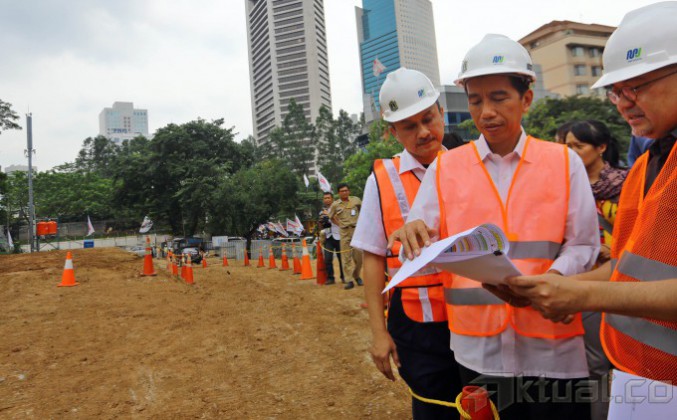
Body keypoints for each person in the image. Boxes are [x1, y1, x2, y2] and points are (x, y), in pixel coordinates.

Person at [388, 34, 599, 419]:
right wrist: (411, 236)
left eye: (499, 98)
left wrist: (553, 279)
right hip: (477, 351)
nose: (486, 112)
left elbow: (584, 245)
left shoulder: (562, 162)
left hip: (552, 346)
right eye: (475, 100)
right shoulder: (445, 168)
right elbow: (417, 245)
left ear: (526, 98)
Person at [505, 4, 677, 401]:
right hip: (641, 378)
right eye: (616, 91)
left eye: (637, 86)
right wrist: (557, 286)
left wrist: (583, 296)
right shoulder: (646, 166)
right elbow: (626, 268)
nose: (623, 103)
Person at [351, 68, 463, 418]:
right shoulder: (382, 179)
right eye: (409, 126)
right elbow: (373, 258)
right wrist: (378, 333)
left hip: (476, 317)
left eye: (428, 119)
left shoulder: (470, 167)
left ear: (441, 112)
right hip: (418, 327)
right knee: (435, 410)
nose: (424, 132)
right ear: (392, 132)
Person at [564, 119, 628, 420]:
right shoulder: (565, 185)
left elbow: (643, 231)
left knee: (630, 358)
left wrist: (615, 252)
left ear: (601, 147)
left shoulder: (627, 183)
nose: (572, 152)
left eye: (579, 146)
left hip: (627, 279)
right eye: (567, 146)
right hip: (587, 280)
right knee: (595, 362)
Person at [328, 183, 363, 290]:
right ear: (338, 193)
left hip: (356, 231)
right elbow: (331, 217)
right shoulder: (335, 205)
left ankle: (356, 275)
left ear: (349, 191)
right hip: (344, 232)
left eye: (346, 190)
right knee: (346, 257)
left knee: (359, 257)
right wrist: (339, 224)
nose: (344, 192)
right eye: (342, 191)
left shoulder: (356, 200)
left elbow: (363, 212)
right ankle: (349, 280)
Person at [318, 191, 344, 285]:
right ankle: (330, 278)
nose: (327, 200)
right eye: (325, 198)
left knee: (342, 258)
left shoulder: (338, 209)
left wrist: (329, 214)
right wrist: (321, 221)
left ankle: (344, 277)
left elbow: (340, 221)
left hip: (339, 236)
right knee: (328, 258)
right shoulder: (322, 212)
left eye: (328, 198)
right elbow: (321, 226)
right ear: (323, 200)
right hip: (328, 236)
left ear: (332, 199)